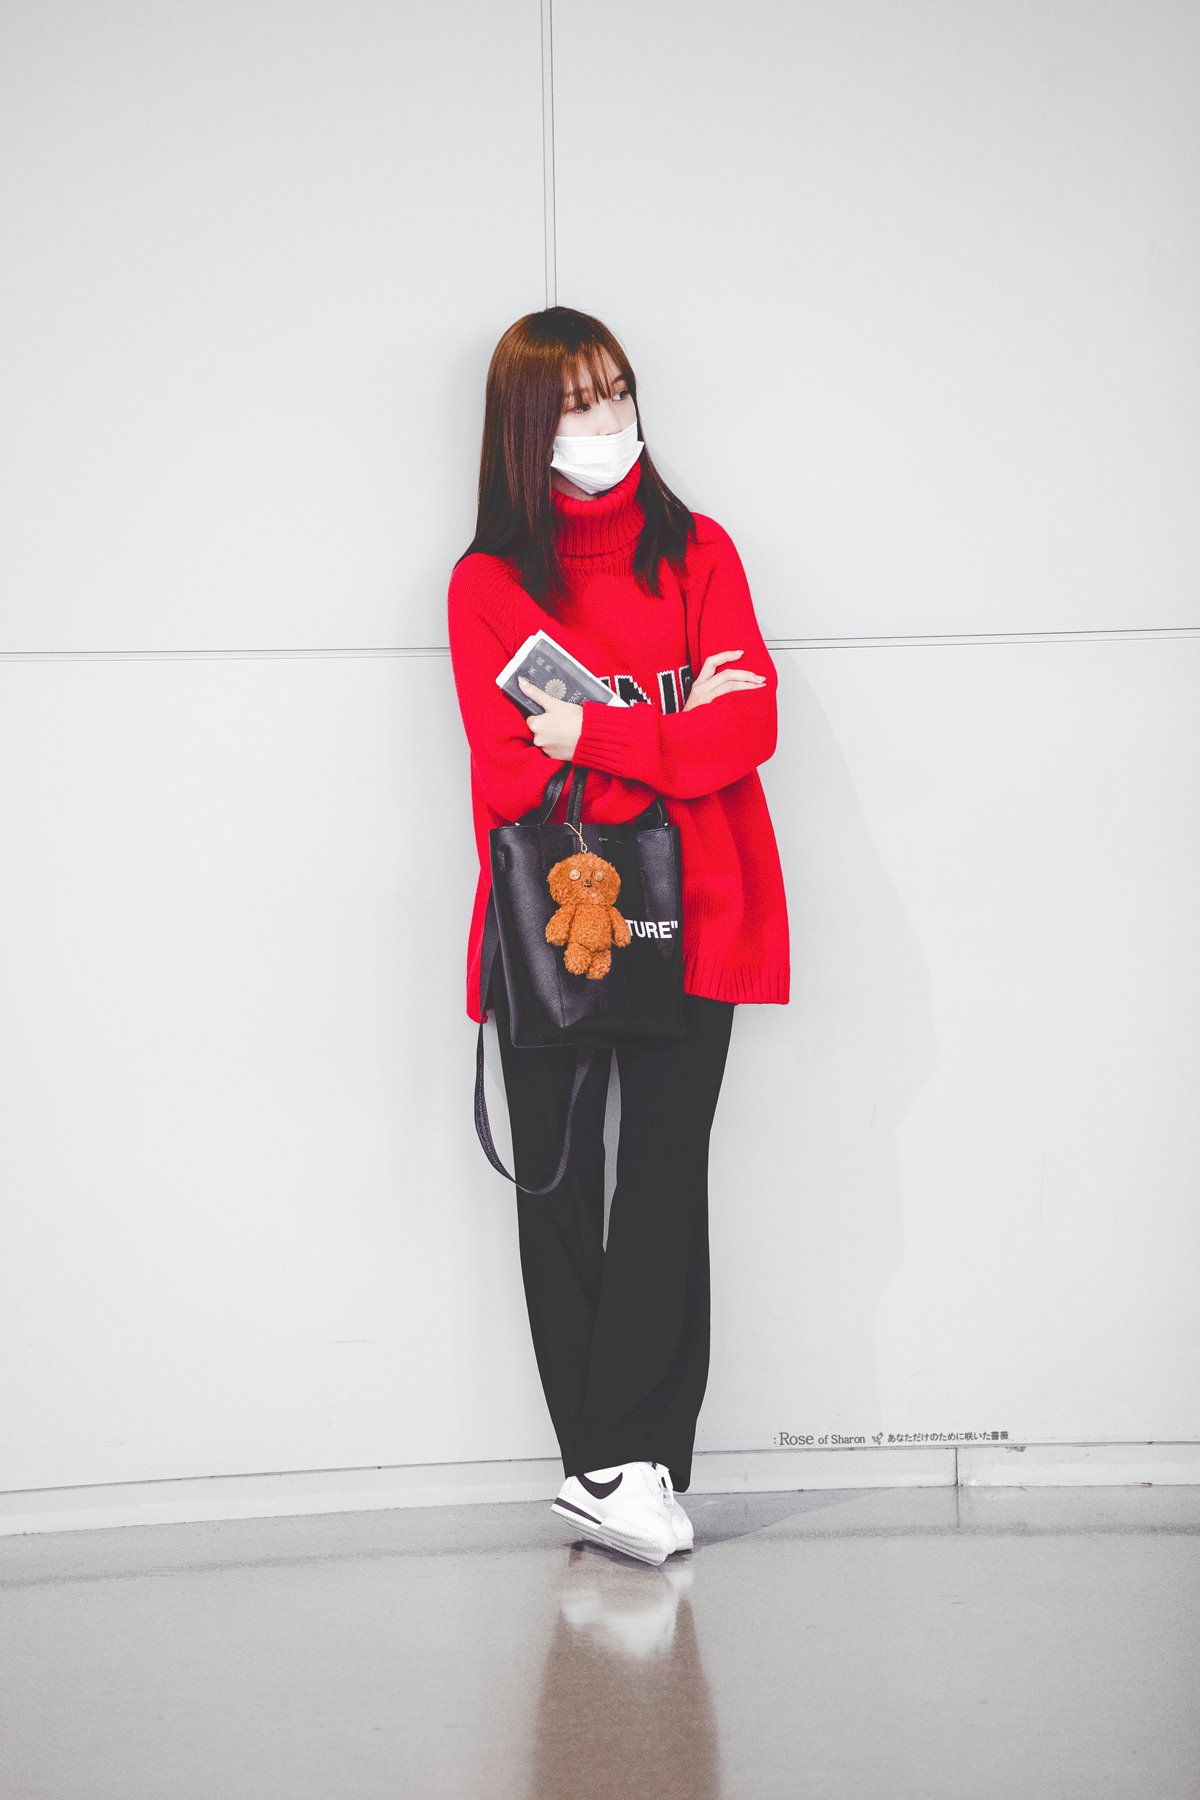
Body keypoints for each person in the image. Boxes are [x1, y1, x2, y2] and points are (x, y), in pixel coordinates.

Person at [447, 306, 790, 1565]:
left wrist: (592, 732)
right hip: (553, 926)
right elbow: (511, 779)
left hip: (701, 916)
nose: (608, 420)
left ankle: (632, 1466)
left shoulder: (699, 552)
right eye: (580, 402)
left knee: (659, 1185)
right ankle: (607, 1467)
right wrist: (674, 732)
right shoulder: (488, 587)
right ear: (527, 425)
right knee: (557, 1193)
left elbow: (747, 732)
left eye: (619, 392)